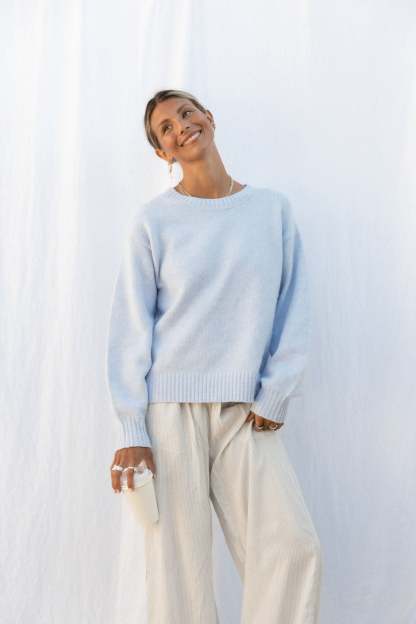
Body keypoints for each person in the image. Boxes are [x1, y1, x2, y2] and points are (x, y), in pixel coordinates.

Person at [106, 89, 322, 623]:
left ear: (209, 118)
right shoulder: (154, 221)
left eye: (187, 113)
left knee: (292, 549)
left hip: (247, 411)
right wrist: (133, 429)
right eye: (165, 128)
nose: (181, 126)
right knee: (179, 573)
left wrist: (276, 390)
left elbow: (294, 306)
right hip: (169, 413)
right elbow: (131, 328)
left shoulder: (270, 210)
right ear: (163, 153)